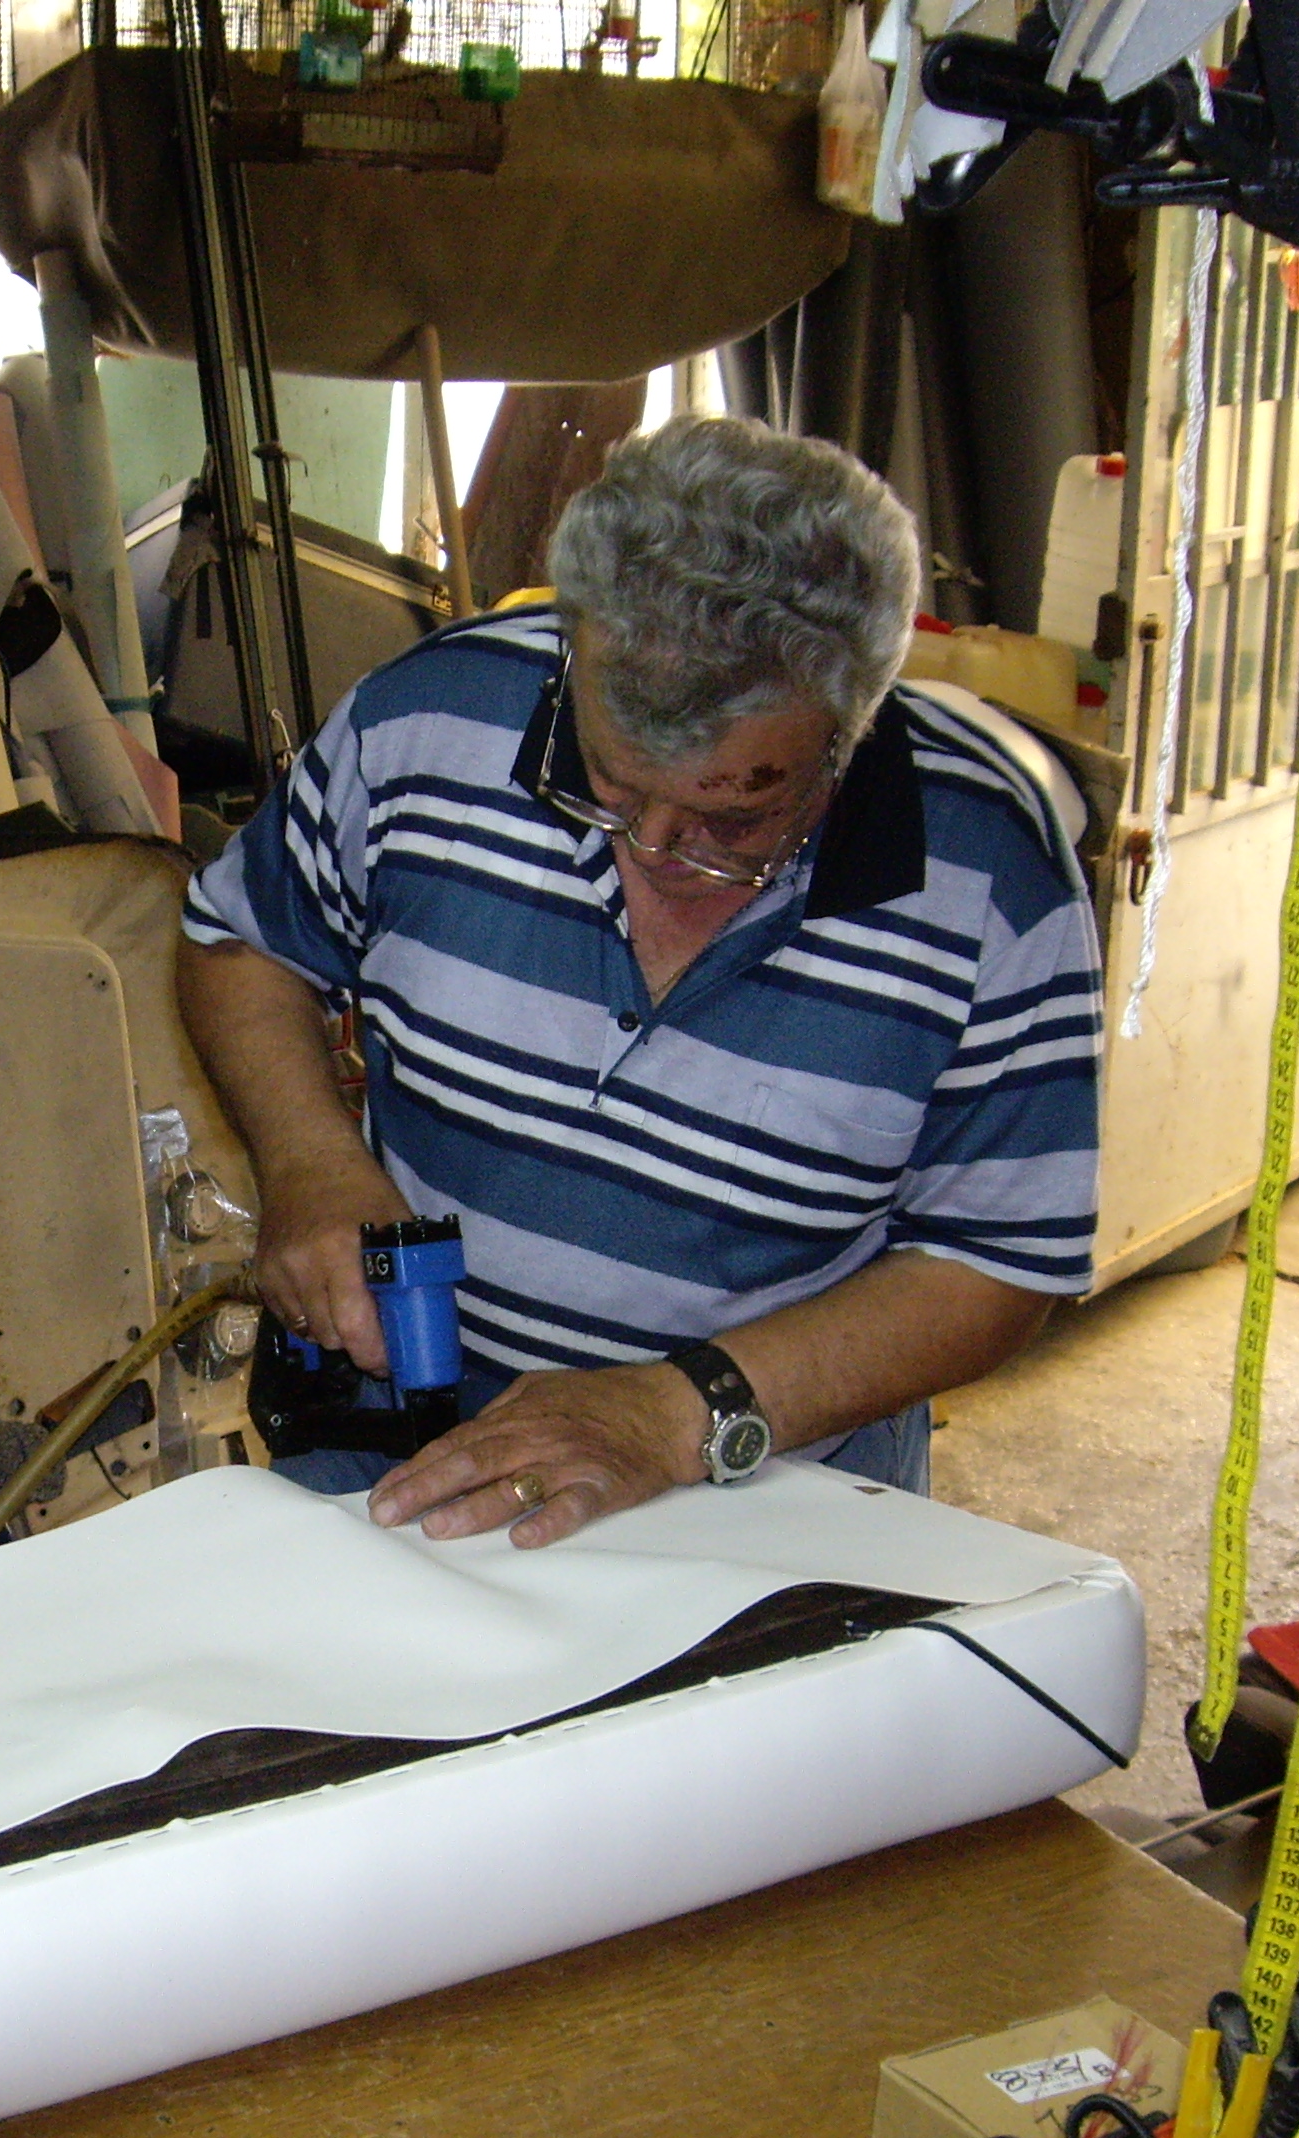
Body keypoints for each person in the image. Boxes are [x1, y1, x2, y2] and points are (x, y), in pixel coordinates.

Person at [176, 418, 1102, 1548]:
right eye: (607, 785)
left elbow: (996, 1264)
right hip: (398, 1448)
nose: (655, 849)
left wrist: (676, 1414)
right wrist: (309, 1161)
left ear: (849, 730)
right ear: (576, 652)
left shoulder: (990, 874)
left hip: (765, 1502)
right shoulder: (431, 718)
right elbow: (241, 942)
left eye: (734, 819)